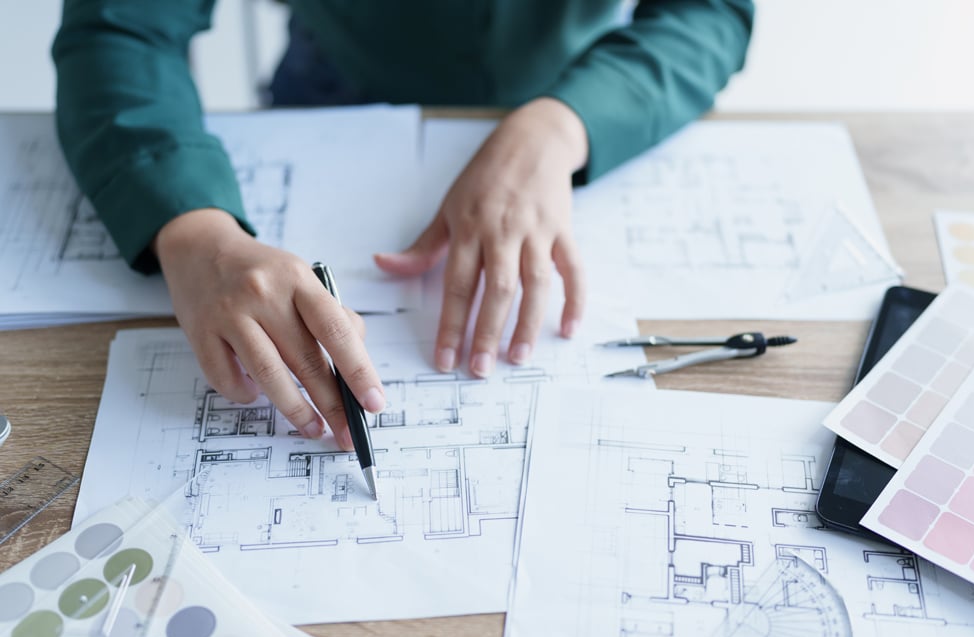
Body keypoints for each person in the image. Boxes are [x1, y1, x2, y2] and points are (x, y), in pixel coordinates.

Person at [52, 0, 753, 449]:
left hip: (586, 87)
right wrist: (191, 228)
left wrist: (563, 126)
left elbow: (710, 11)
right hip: (331, 89)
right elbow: (121, 24)